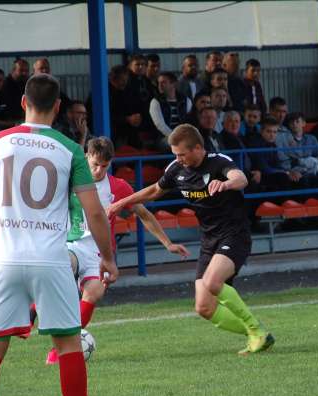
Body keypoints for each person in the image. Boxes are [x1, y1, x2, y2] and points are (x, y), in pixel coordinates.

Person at [0, 73, 118, 396]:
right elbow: (94, 210)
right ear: (58, 107)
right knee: (67, 346)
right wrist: (107, 257)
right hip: (51, 259)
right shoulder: (68, 148)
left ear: (23, 102)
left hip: (4, 259)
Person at [109, 124, 275, 355]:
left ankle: (256, 330)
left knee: (213, 282)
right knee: (204, 307)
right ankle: (256, 334)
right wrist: (121, 203)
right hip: (209, 239)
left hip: (234, 234)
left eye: (182, 154)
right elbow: (154, 191)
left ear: (198, 148)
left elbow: (241, 178)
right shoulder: (177, 169)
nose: (178, 159)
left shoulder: (218, 162)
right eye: (175, 154)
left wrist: (225, 184)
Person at [43, 137, 189, 364]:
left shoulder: (118, 187)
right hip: (71, 245)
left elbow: (144, 214)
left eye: (104, 165)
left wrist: (167, 243)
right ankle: (32, 310)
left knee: (95, 292)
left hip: (100, 253)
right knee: (63, 266)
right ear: (87, 157)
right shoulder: (70, 179)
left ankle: (59, 350)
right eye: (95, 164)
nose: (99, 170)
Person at [150, 72, 191, 141]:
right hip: (163, 137)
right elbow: (160, 125)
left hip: (183, 136)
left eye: (163, 82)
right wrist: (176, 137)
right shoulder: (155, 102)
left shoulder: (185, 100)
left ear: (174, 84)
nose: (160, 85)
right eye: (159, 83)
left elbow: (190, 120)